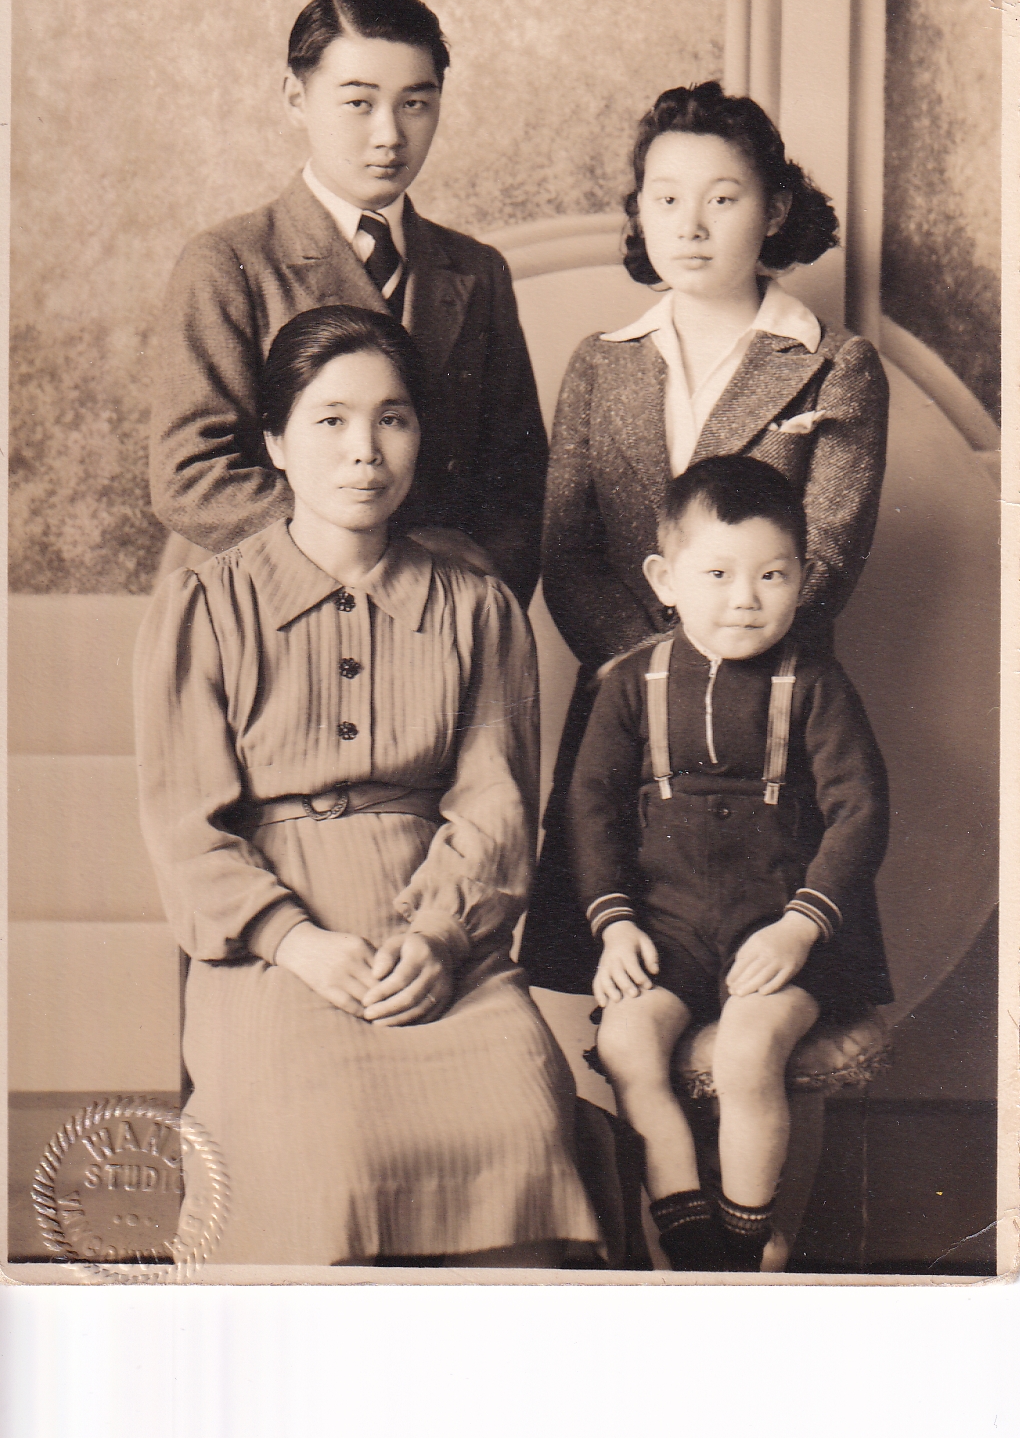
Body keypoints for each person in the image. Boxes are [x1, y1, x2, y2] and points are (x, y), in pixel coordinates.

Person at [135, 304, 602, 1266]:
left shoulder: (474, 604)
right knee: (332, 1153)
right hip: (273, 952)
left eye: (393, 418)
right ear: (274, 439)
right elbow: (187, 827)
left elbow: (494, 805)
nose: (365, 451)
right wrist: (295, 943)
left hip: (443, 937)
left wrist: (437, 936)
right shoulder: (208, 604)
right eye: (331, 420)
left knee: (528, 1126)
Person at [521, 79, 889, 990]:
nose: (690, 224)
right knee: (635, 991)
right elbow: (567, 552)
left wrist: (721, 660)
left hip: (777, 711)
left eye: (722, 199)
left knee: (771, 1000)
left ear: (775, 211)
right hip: (622, 710)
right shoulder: (602, 365)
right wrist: (655, 677)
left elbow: (828, 551)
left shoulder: (834, 365)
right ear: (639, 212)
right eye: (665, 198)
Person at [567, 457, 892, 1272]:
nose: (745, 597)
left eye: (771, 574)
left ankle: (743, 1242)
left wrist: (799, 926)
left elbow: (861, 809)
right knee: (628, 1047)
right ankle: (685, 1228)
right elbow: (592, 807)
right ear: (664, 578)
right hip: (670, 934)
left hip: (782, 937)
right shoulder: (629, 685)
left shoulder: (814, 684)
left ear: (803, 579)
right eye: (717, 573)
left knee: (748, 1051)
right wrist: (613, 929)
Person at [149, 0, 547, 609]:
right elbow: (192, 475)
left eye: (415, 103)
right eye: (359, 103)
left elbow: (520, 483)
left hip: (436, 618)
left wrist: (473, 603)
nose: (389, 134)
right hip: (270, 608)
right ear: (295, 98)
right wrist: (378, 557)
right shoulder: (229, 262)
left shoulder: (477, 271)